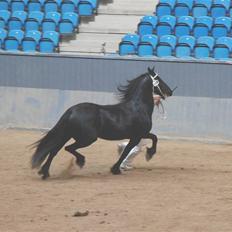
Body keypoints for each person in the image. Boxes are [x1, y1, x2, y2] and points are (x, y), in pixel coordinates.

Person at [118, 94, 162, 170]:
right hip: (139, 126)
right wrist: (157, 97)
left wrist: (156, 101)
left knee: (141, 143)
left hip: (139, 125)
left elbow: (152, 101)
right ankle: (124, 163)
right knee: (137, 148)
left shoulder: (142, 102)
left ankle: (123, 145)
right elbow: (149, 98)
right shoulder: (141, 98)